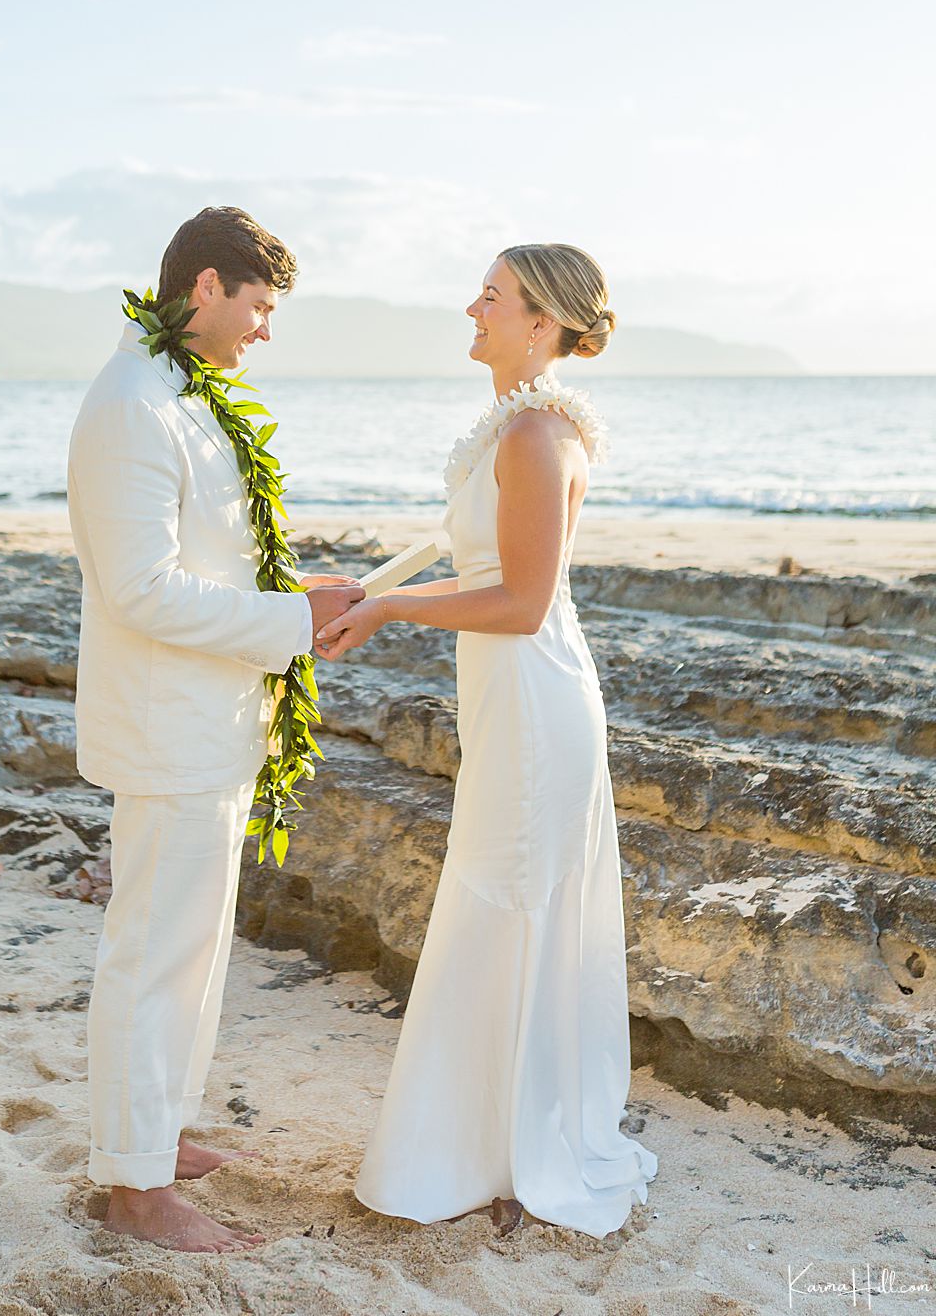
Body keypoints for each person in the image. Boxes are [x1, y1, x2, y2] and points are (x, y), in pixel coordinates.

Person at [315, 242, 658, 1239]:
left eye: (494, 296)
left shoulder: (539, 436)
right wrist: (367, 589)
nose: (473, 305)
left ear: (542, 323)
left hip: (538, 697)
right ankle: (488, 1142)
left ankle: (516, 1151)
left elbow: (520, 600)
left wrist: (386, 615)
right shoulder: (516, 428)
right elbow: (474, 563)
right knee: (500, 890)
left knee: (515, 896)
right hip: (510, 701)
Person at [68, 205, 364, 1254]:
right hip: (166, 729)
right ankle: (136, 1194)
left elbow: (210, 565)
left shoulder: (183, 395)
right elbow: (142, 591)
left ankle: (154, 1134)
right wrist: (292, 622)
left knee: (191, 949)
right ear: (204, 288)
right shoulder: (131, 408)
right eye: (259, 306)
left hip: (214, 720)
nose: (265, 331)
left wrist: (304, 595)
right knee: (154, 953)